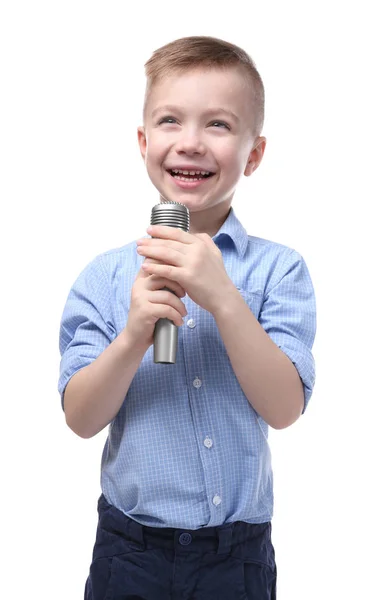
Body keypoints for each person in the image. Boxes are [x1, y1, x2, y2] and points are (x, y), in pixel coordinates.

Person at [58, 35, 316, 600]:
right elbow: (79, 418)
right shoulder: (104, 277)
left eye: (218, 125)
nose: (191, 143)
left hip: (235, 555)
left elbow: (284, 408)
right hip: (131, 550)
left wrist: (223, 297)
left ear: (253, 154)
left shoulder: (279, 271)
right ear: (144, 141)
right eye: (171, 121)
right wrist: (131, 337)